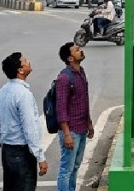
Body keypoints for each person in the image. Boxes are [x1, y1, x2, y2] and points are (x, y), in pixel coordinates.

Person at [0, 52, 48, 191]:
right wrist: (40, 157)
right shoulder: (23, 94)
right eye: (25, 61)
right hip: (21, 153)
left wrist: (3, 143)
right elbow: (30, 128)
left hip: (7, 150)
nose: (28, 61)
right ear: (20, 70)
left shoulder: (3, 91)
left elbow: (1, 122)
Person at [55, 42, 93, 191]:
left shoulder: (81, 72)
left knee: (75, 167)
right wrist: (67, 134)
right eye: (77, 50)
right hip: (71, 131)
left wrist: (89, 124)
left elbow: (84, 101)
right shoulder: (64, 78)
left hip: (82, 128)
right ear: (70, 58)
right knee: (66, 169)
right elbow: (61, 108)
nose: (81, 51)